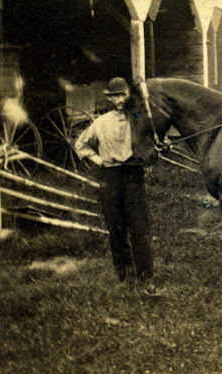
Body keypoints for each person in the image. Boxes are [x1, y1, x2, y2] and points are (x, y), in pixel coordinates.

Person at [74, 77, 157, 291]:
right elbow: (80, 144)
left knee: (139, 227)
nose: (119, 100)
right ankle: (124, 276)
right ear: (109, 99)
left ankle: (146, 278)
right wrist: (98, 160)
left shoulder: (137, 118)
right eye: (114, 96)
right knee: (116, 227)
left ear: (129, 95)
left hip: (133, 175)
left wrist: (151, 153)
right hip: (110, 178)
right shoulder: (101, 122)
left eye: (122, 95)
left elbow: (151, 142)